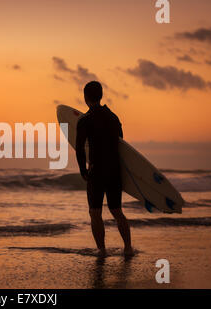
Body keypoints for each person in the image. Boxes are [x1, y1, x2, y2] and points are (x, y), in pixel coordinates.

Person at [76, 81, 133, 257]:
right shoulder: (113, 117)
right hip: (114, 170)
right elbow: (121, 142)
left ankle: (102, 250)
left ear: (85, 97)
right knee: (116, 210)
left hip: (97, 171)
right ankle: (128, 248)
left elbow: (79, 148)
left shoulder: (85, 120)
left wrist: (83, 170)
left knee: (95, 212)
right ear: (101, 96)